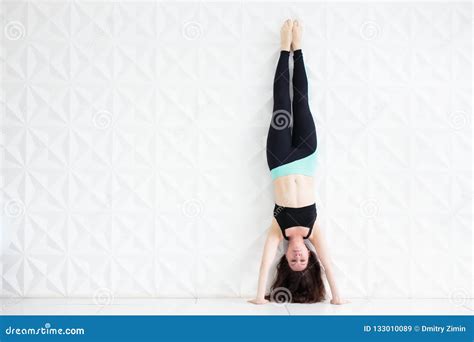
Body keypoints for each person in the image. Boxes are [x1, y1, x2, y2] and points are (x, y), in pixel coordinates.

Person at [248, 19, 348, 305]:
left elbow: (264, 263)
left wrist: (259, 297)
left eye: (293, 262)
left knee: (282, 103)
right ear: (309, 257)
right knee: (302, 102)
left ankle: (284, 49)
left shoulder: (277, 229)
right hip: (306, 157)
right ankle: (299, 50)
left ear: (287, 260)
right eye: (303, 260)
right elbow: (329, 265)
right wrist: (337, 296)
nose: (297, 257)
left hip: (279, 161)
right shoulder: (313, 228)